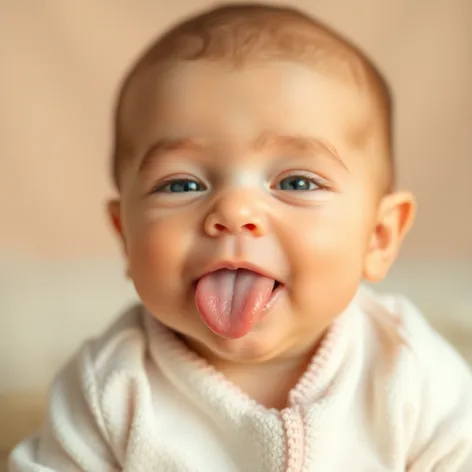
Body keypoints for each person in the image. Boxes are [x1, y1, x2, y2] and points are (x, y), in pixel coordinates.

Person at [9, 3, 472, 471]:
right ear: (125, 235)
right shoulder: (109, 388)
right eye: (182, 185)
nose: (233, 211)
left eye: (296, 182)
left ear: (378, 236)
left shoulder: (408, 370)